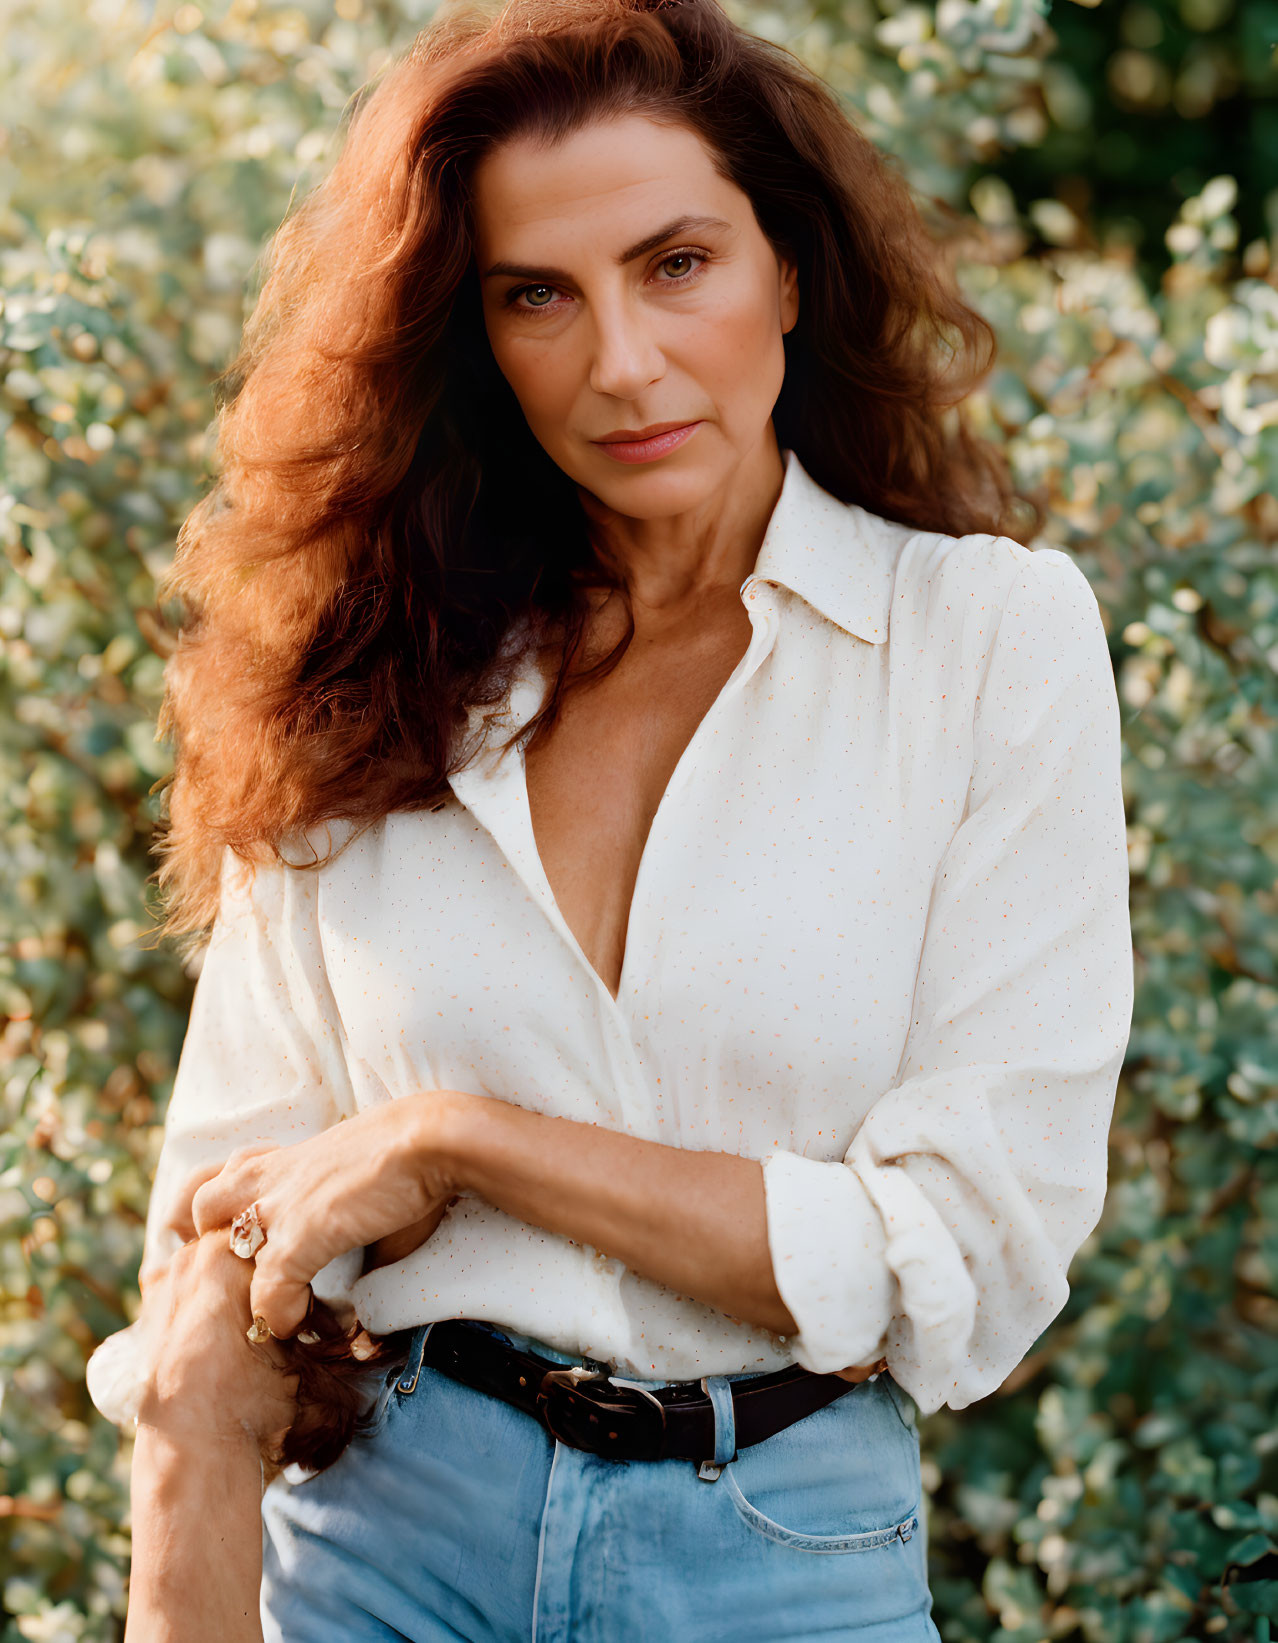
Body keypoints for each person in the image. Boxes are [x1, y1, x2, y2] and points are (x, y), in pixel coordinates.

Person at [87, 0, 1135, 1638]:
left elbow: (964, 1254)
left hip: (779, 1553)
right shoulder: (369, 676)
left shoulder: (983, 643)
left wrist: (457, 1139)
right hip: (379, 1554)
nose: (622, 363)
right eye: (536, 297)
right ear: (475, 339)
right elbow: (224, 1253)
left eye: (676, 265)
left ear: (787, 269)